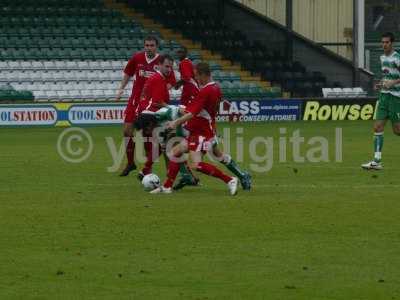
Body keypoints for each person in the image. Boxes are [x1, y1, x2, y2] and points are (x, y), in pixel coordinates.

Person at [150, 62, 239, 195]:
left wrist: (175, 123)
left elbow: (191, 114)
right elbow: (200, 111)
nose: (196, 79)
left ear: (203, 75)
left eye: (197, 76)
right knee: (174, 153)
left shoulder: (206, 91)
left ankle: (230, 180)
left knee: (195, 165)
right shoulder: (215, 88)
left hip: (201, 133)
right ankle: (167, 187)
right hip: (200, 131)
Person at [116, 36, 175, 176]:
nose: (149, 48)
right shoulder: (137, 58)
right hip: (135, 101)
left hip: (151, 103)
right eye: (147, 45)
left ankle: (148, 169)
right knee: (127, 131)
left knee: (148, 135)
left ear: (156, 47)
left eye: (152, 45)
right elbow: (127, 73)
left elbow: (172, 80)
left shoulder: (163, 62)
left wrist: (161, 90)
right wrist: (120, 89)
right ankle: (130, 163)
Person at [362, 32, 400, 170]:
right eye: (382, 42)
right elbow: (387, 75)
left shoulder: (397, 58)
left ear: (392, 43)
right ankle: (377, 161)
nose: (384, 44)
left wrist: (393, 83)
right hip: (384, 96)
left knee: (397, 131)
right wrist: (381, 84)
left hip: (396, 98)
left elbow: (395, 78)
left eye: (387, 42)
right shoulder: (382, 57)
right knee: (377, 127)